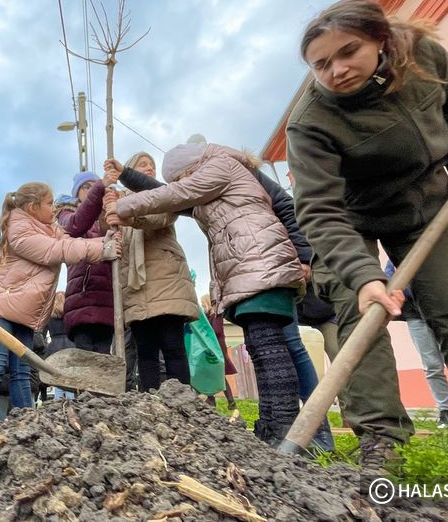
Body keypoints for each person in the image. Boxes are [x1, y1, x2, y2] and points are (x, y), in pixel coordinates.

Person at [286, 0, 448, 470]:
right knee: (359, 316)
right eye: (321, 64)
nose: (337, 70)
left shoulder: (422, 56)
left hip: (429, 205)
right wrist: (364, 275)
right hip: (349, 221)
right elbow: (319, 209)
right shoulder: (311, 122)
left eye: (348, 52)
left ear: (380, 40)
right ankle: (380, 439)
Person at [105, 143, 305, 445]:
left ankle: (286, 433)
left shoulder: (219, 166)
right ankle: (271, 428)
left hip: (259, 261)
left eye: (180, 177)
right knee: (262, 349)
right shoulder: (208, 181)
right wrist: (126, 175)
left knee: (270, 350)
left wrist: (120, 207)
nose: (180, 184)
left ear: (189, 169)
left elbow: (172, 196)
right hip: (249, 265)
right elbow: (167, 191)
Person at [0, 182, 119, 436]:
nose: (53, 209)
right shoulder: (19, 230)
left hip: (24, 310)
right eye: (49, 203)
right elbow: (57, 251)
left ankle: (27, 424)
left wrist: (104, 239)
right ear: (33, 207)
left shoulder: (50, 228)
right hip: (1, 307)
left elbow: (72, 241)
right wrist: (100, 248)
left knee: (22, 370)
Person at [112, 152, 200, 392]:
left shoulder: (165, 196)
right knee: (145, 350)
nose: (149, 169)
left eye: (151, 165)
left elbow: (160, 216)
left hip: (166, 278)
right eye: (142, 165)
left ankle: (183, 403)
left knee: (173, 345)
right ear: (130, 171)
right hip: (135, 284)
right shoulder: (118, 201)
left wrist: (125, 215)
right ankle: (150, 402)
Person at [384, 261, 448, 429]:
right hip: (415, 316)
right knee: (432, 364)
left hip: (444, 312)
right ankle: (447, 411)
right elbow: (390, 282)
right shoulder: (394, 258)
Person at [55, 171, 116, 355]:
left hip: (107, 295)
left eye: (94, 185)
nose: (90, 190)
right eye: (86, 186)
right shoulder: (66, 212)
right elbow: (76, 224)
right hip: (82, 293)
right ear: (77, 192)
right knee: (85, 357)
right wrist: (100, 189)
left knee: (104, 358)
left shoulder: (106, 213)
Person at [200, 295, 238, 410]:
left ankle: (213, 400)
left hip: (215, 350)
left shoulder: (215, 316)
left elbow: (217, 332)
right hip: (212, 349)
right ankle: (226, 401)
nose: (202, 307)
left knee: (215, 373)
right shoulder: (209, 317)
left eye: (203, 304)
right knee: (215, 374)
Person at [45, 292, 75, 400]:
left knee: (56, 378)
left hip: (54, 347)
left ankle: (57, 402)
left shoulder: (49, 317)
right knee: (69, 378)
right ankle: (71, 401)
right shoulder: (69, 316)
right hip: (70, 345)